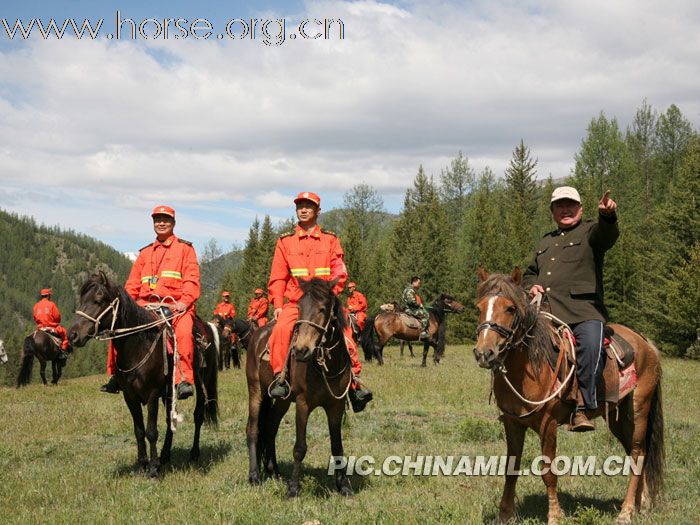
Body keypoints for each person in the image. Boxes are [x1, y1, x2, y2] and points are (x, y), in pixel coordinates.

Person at [522, 186, 618, 432]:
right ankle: (518, 401)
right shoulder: (546, 241)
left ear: (580, 208)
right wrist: (532, 287)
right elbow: (529, 274)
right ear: (553, 211)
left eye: (570, 205)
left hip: (582, 311)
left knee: (589, 344)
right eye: (559, 205)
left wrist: (607, 216)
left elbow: (607, 236)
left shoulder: (590, 231)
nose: (565, 209)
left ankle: (584, 406)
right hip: (546, 312)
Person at [267, 191, 372, 412]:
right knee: (281, 330)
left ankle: (354, 383)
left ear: (317, 211)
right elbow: (277, 277)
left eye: (309, 206)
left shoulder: (330, 239)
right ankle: (280, 379)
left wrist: (331, 293)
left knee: (347, 333)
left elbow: (340, 271)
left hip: (325, 303)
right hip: (297, 302)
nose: (303, 209)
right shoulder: (285, 241)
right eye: (300, 206)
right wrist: (277, 305)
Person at [101, 205, 200, 400]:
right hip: (145, 307)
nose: (161, 223)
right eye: (157, 220)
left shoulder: (185, 249)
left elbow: (192, 280)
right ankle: (116, 376)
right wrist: (128, 306)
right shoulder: (145, 253)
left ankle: (183, 379)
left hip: (176, 307)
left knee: (184, 333)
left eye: (166, 219)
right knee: (118, 329)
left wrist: (184, 301)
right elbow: (132, 284)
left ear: (173, 223)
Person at [33, 288, 72, 357]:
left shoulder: (36, 306)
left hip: (41, 328)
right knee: (65, 334)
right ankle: (62, 352)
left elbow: (35, 318)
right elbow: (58, 318)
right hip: (51, 327)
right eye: (50, 295)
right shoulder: (51, 305)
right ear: (48, 296)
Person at [402, 276, 430, 341]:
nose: (419, 285)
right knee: (426, 314)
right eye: (418, 283)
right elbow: (411, 301)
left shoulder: (408, 289)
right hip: (410, 309)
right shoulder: (410, 290)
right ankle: (423, 332)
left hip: (410, 308)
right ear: (414, 282)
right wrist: (419, 305)